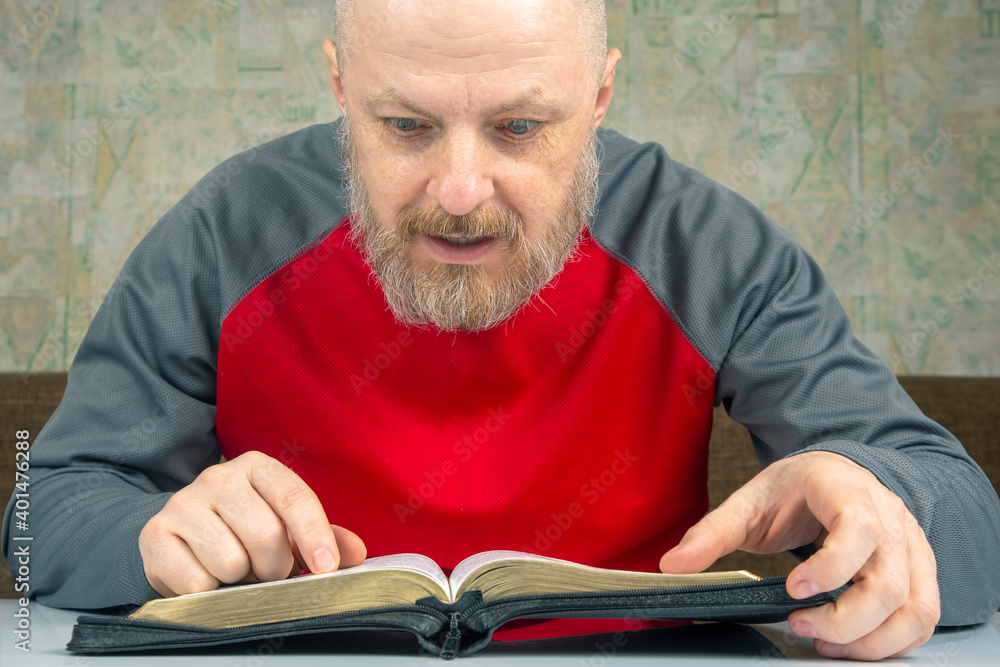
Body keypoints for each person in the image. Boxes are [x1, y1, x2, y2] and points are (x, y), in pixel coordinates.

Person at [4, 0, 999, 660]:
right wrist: (146, 535)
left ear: (599, 96)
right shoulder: (223, 230)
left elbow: (971, 526)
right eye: (404, 126)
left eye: (521, 127)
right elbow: (34, 516)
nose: (460, 191)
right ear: (342, 85)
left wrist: (885, 502)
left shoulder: (707, 243)